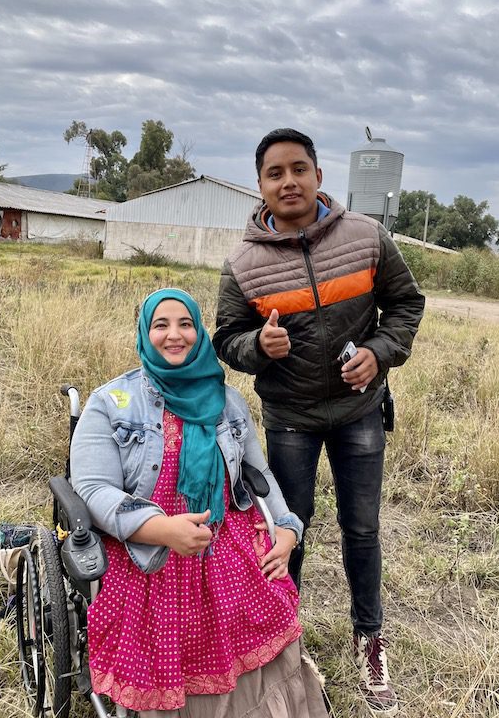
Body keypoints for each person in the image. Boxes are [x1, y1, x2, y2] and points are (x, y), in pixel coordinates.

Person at [213, 128, 426, 717]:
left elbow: (407, 304)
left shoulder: (366, 236)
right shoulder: (244, 264)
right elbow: (227, 339)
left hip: (360, 411)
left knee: (362, 529)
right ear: (260, 185)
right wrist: (259, 346)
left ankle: (369, 640)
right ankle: (287, 643)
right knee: (289, 529)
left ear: (318, 176)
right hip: (291, 419)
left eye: (298, 169)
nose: (289, 182)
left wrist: (379, 352)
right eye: (275, 173)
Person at [70, 287, 329, 717]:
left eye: (185, 324)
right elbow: (95, 490)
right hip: (147, 548)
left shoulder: (228, 402)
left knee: (260, 600)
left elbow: (260, 473)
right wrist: (162, 529)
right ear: (144, 333)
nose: (175, 335)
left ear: (200, 332)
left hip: (224, 537)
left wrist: (287, 528)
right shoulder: (111, 404)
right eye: (161, 325)